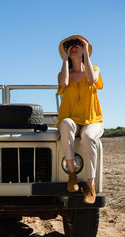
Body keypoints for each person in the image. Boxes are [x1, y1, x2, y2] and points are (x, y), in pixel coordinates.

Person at [57, 34, 104, 204]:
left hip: (92, 120)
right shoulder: (64, 73)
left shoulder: (95, 69)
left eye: (78, 45)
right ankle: (72, 174)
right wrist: (64, 60)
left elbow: (91, 79)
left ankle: (90, 186)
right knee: (65, 123)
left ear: (85, 49)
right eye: (70, 46)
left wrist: (87, 57)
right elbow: (63, 84)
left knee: (88, 136)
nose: (74, 47)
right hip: (73, 121)